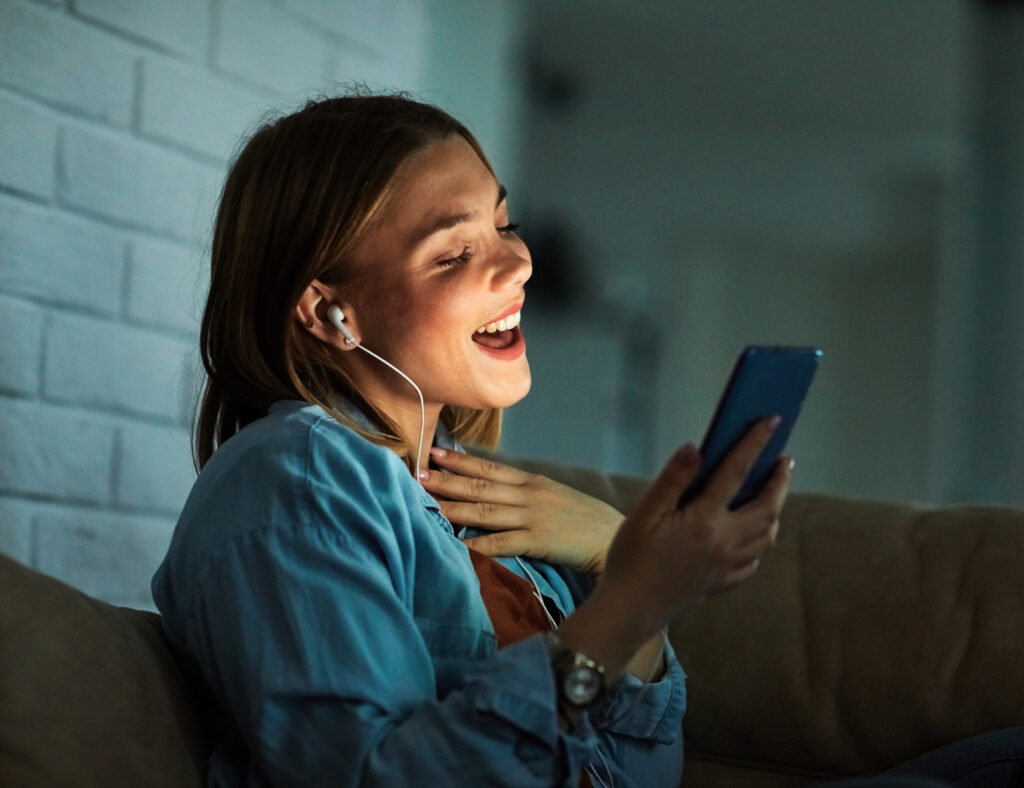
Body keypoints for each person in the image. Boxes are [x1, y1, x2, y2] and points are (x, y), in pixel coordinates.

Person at [154, 93, 1022, 787]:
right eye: (453, 254)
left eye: (504, 224)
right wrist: (633, 603)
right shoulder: (297, 476)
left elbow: (638, 770)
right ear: (330, 314)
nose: (518, 263)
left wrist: (614, 555)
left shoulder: (465, 496)